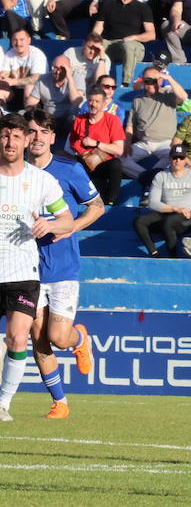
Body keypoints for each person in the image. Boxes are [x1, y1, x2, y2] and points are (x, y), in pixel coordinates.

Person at [23, 109, 101, 419]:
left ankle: (80, 339)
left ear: (53, 138)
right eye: (32, 131)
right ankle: (60, 402)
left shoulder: (69, 170)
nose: (38, 137)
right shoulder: (14, 175)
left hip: (63, 267)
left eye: (44, 131)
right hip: (26, 268)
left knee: (57, 337)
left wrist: (67, 227)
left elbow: (97, 207)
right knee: (37, 336)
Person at [0, 114, 74, 422]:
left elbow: (68, 221)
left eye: (17, 137)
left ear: (26, 141)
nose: (10, 142)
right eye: (5, 136)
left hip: (23, 274)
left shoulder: (42, 180)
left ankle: (3, 404)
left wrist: (50, 224)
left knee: (18, 338)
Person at [134, 145, 191, 257]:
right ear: (169, 159)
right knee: (139, 221)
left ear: (186, 159)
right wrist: (175, 208)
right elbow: (153, 202)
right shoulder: (161, 176)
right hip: (168, 212)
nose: (178, 161)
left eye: (181, 158)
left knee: (168, 222)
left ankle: (173, 256)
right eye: (174, 158)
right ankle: (154, 252)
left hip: (188, 215)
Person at [121, 66, 188, 184]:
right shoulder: (137, 100)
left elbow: (184, 97)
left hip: (166, 143)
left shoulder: (169, 94)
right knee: (120, 160)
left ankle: (149, 179)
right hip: (144, 143)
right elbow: (130, 125)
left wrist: (168, 78)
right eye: (147, 81)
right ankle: (149, 178)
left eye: (154, 80)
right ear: (143, 82)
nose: (151, 84)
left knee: (174, 157)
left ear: (160, 80)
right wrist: (127, 143)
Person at [92, 0, 156, 84]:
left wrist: (133, 37)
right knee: (97, 44)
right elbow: (97, 30)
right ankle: (97, 82)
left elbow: (151, 34)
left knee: (128, 46)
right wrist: (94, 42)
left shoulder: (143, 8)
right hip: (112, 44)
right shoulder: (108, 5)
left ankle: (126, 83)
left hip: (134, 46)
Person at [69, 85, 124, 203]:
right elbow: (73, 143)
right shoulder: (80, 119)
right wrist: (86, 154)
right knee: (65, 160)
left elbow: (119, 150)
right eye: (90, 100)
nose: (93, 104)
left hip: (104, 163)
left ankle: (111, 201)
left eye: (97, 101)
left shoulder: (112, 120)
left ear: (104, 104)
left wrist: (96, 143)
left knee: (116, 164)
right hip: (84, 161)